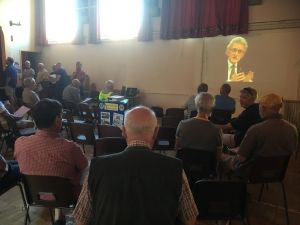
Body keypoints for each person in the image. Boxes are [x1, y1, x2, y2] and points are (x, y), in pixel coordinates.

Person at [73, 106, 198, 225]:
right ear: (156, 132)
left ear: (123, 131)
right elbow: (190, 218)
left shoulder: (96, 167)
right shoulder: (175, 168)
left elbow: (80, 219)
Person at [14, 98, 88, 198]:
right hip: (68, 196)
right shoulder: (70, 147)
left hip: (36, 196)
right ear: (57, 120)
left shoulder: (19, 143)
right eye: (61, 116)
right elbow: (85, 167)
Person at [220, 93, 298, 179]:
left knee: (220, 155)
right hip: (278, 172)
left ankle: (227, 186)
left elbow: (241, 159)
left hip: (252, 171)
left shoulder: (256, 129)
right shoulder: (293, 129)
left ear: (263, 108)